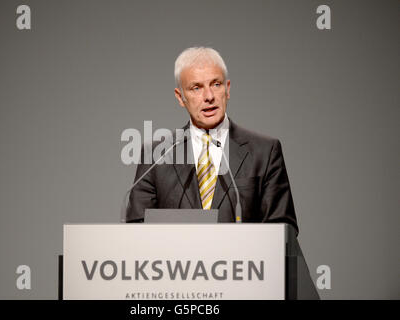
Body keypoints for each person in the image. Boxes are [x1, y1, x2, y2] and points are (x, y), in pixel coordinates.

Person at [126, 47, 298, 234]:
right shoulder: (157, 156)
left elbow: (282, 231)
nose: (209, 97)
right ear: (180, 97)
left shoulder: (264, 152)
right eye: (196, 88)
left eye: (216, 84)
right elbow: (137, 231)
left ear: (228, 89)